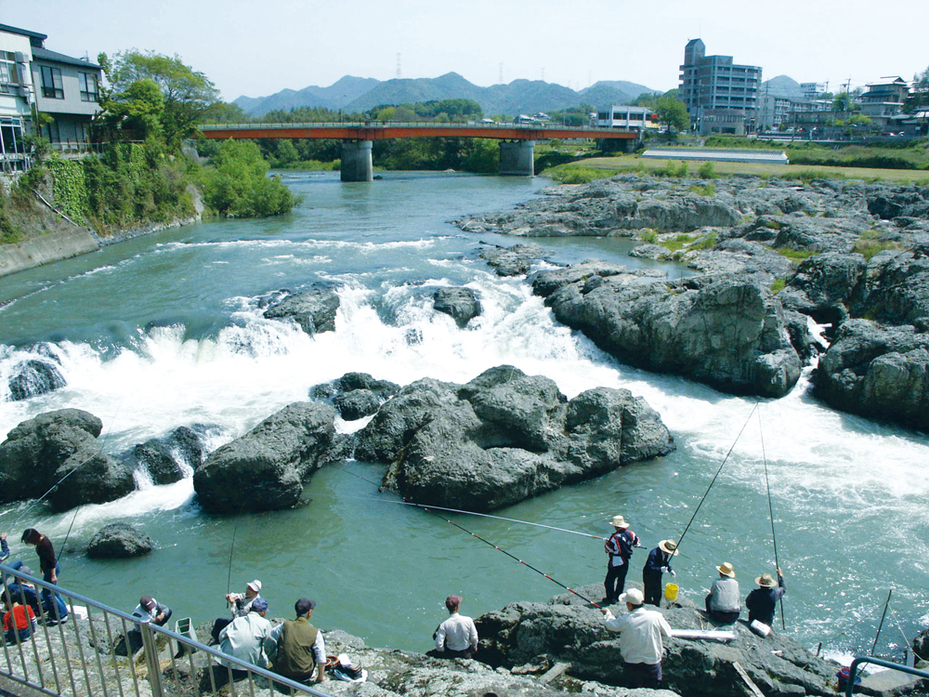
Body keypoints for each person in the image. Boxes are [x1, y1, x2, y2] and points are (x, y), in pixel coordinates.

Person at [601, 587, 673, 689]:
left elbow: (610, 624)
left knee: (633, 690)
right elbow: (668, 633)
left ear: (629, 605)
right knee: (652, 692)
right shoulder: (656, 616)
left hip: (632, 665)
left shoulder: (625, 620)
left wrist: (607, 613)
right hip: (653, 664)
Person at [267, 598, 326, 684]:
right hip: (303, 676)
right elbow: (321, 658)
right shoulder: (315, 632)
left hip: (282, 671)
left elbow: (270, 637)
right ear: (309, 613)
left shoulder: (284, 625)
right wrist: (320, 677)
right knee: (315, 649)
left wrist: (272, 657)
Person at [20, 529, 68, 623]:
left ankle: (61, 615)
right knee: (54, 591)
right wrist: (42, 567)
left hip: (51, 569)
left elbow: (52, 560)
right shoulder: (41, 541)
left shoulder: (45, 544)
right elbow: (43, 557)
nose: (29, 543)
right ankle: (62, 611)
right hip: (48, 569)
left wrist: (53, 575)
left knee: (47, 594)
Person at [218, 597, 273, 672]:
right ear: (263, 612)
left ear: (250, 609)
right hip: (248, 668)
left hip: (226, 664)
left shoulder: (237, 620)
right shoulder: (265, 623)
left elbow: (221, 636)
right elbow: (269, 645)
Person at [604, 515, 640, 604]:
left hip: (615, 562)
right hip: (626, 561)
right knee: (621, 580)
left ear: (616, 526)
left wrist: (606, 542)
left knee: (609, 581)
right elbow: (637, 544)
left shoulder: (614, 537)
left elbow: (607, 549)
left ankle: (610, 599)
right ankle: (618, 596)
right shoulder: (631, 534)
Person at [642, 539, 678, 607]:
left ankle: (656, 606)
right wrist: (660, 569)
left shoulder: (665, 554)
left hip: (657, 576)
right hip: (649, 576)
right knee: (648, 594)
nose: (668, 553)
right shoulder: (654, 554)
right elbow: (650, 567)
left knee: (658, 595)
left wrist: (670, 570)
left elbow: (665, 562)